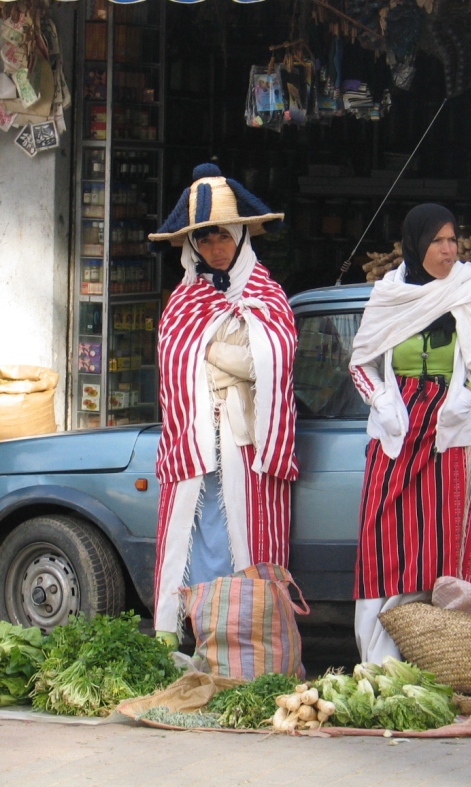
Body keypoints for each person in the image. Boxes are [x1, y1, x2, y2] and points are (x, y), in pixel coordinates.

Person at [349, 203, 471, 663]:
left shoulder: (470, 290)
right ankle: (381, 660)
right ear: (416, 244)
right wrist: (382, 403)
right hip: (396, 432)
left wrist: (466, 398)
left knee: (444, 543)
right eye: (438, 241)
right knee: (384, 542)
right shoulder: (388, 295)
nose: (449, 249)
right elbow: (360, 363)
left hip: (451, 435)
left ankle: (437, 660)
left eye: (452, 239)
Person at [147, 163, 298, 648]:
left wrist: (210, 353)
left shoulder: (266, 293)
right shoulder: (182, 300)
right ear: (193, 244)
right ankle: (186, 635)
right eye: (206, 239)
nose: (216, 248)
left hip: (242, 444)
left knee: (244, 537)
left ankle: (244, 636)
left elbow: (274, 360)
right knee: (198, 540)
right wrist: (230, 355)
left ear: (240, 237)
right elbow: (173, 356)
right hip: (194, 446)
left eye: (224, 237)